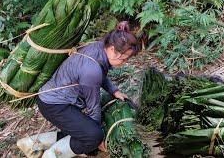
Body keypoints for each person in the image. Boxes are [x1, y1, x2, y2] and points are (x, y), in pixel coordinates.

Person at [16, 21, 140, 158]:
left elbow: (100, 73)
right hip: (54, 105)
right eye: (124, 59)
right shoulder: (92, 71)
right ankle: (51, 155)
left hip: (52, 99)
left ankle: (31, 143)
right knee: (92, 135)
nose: (124, 63)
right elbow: (93, 107)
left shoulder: (99, 47)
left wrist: (114, 91)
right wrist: (97, 139)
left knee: (82, 130)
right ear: (112, 49)